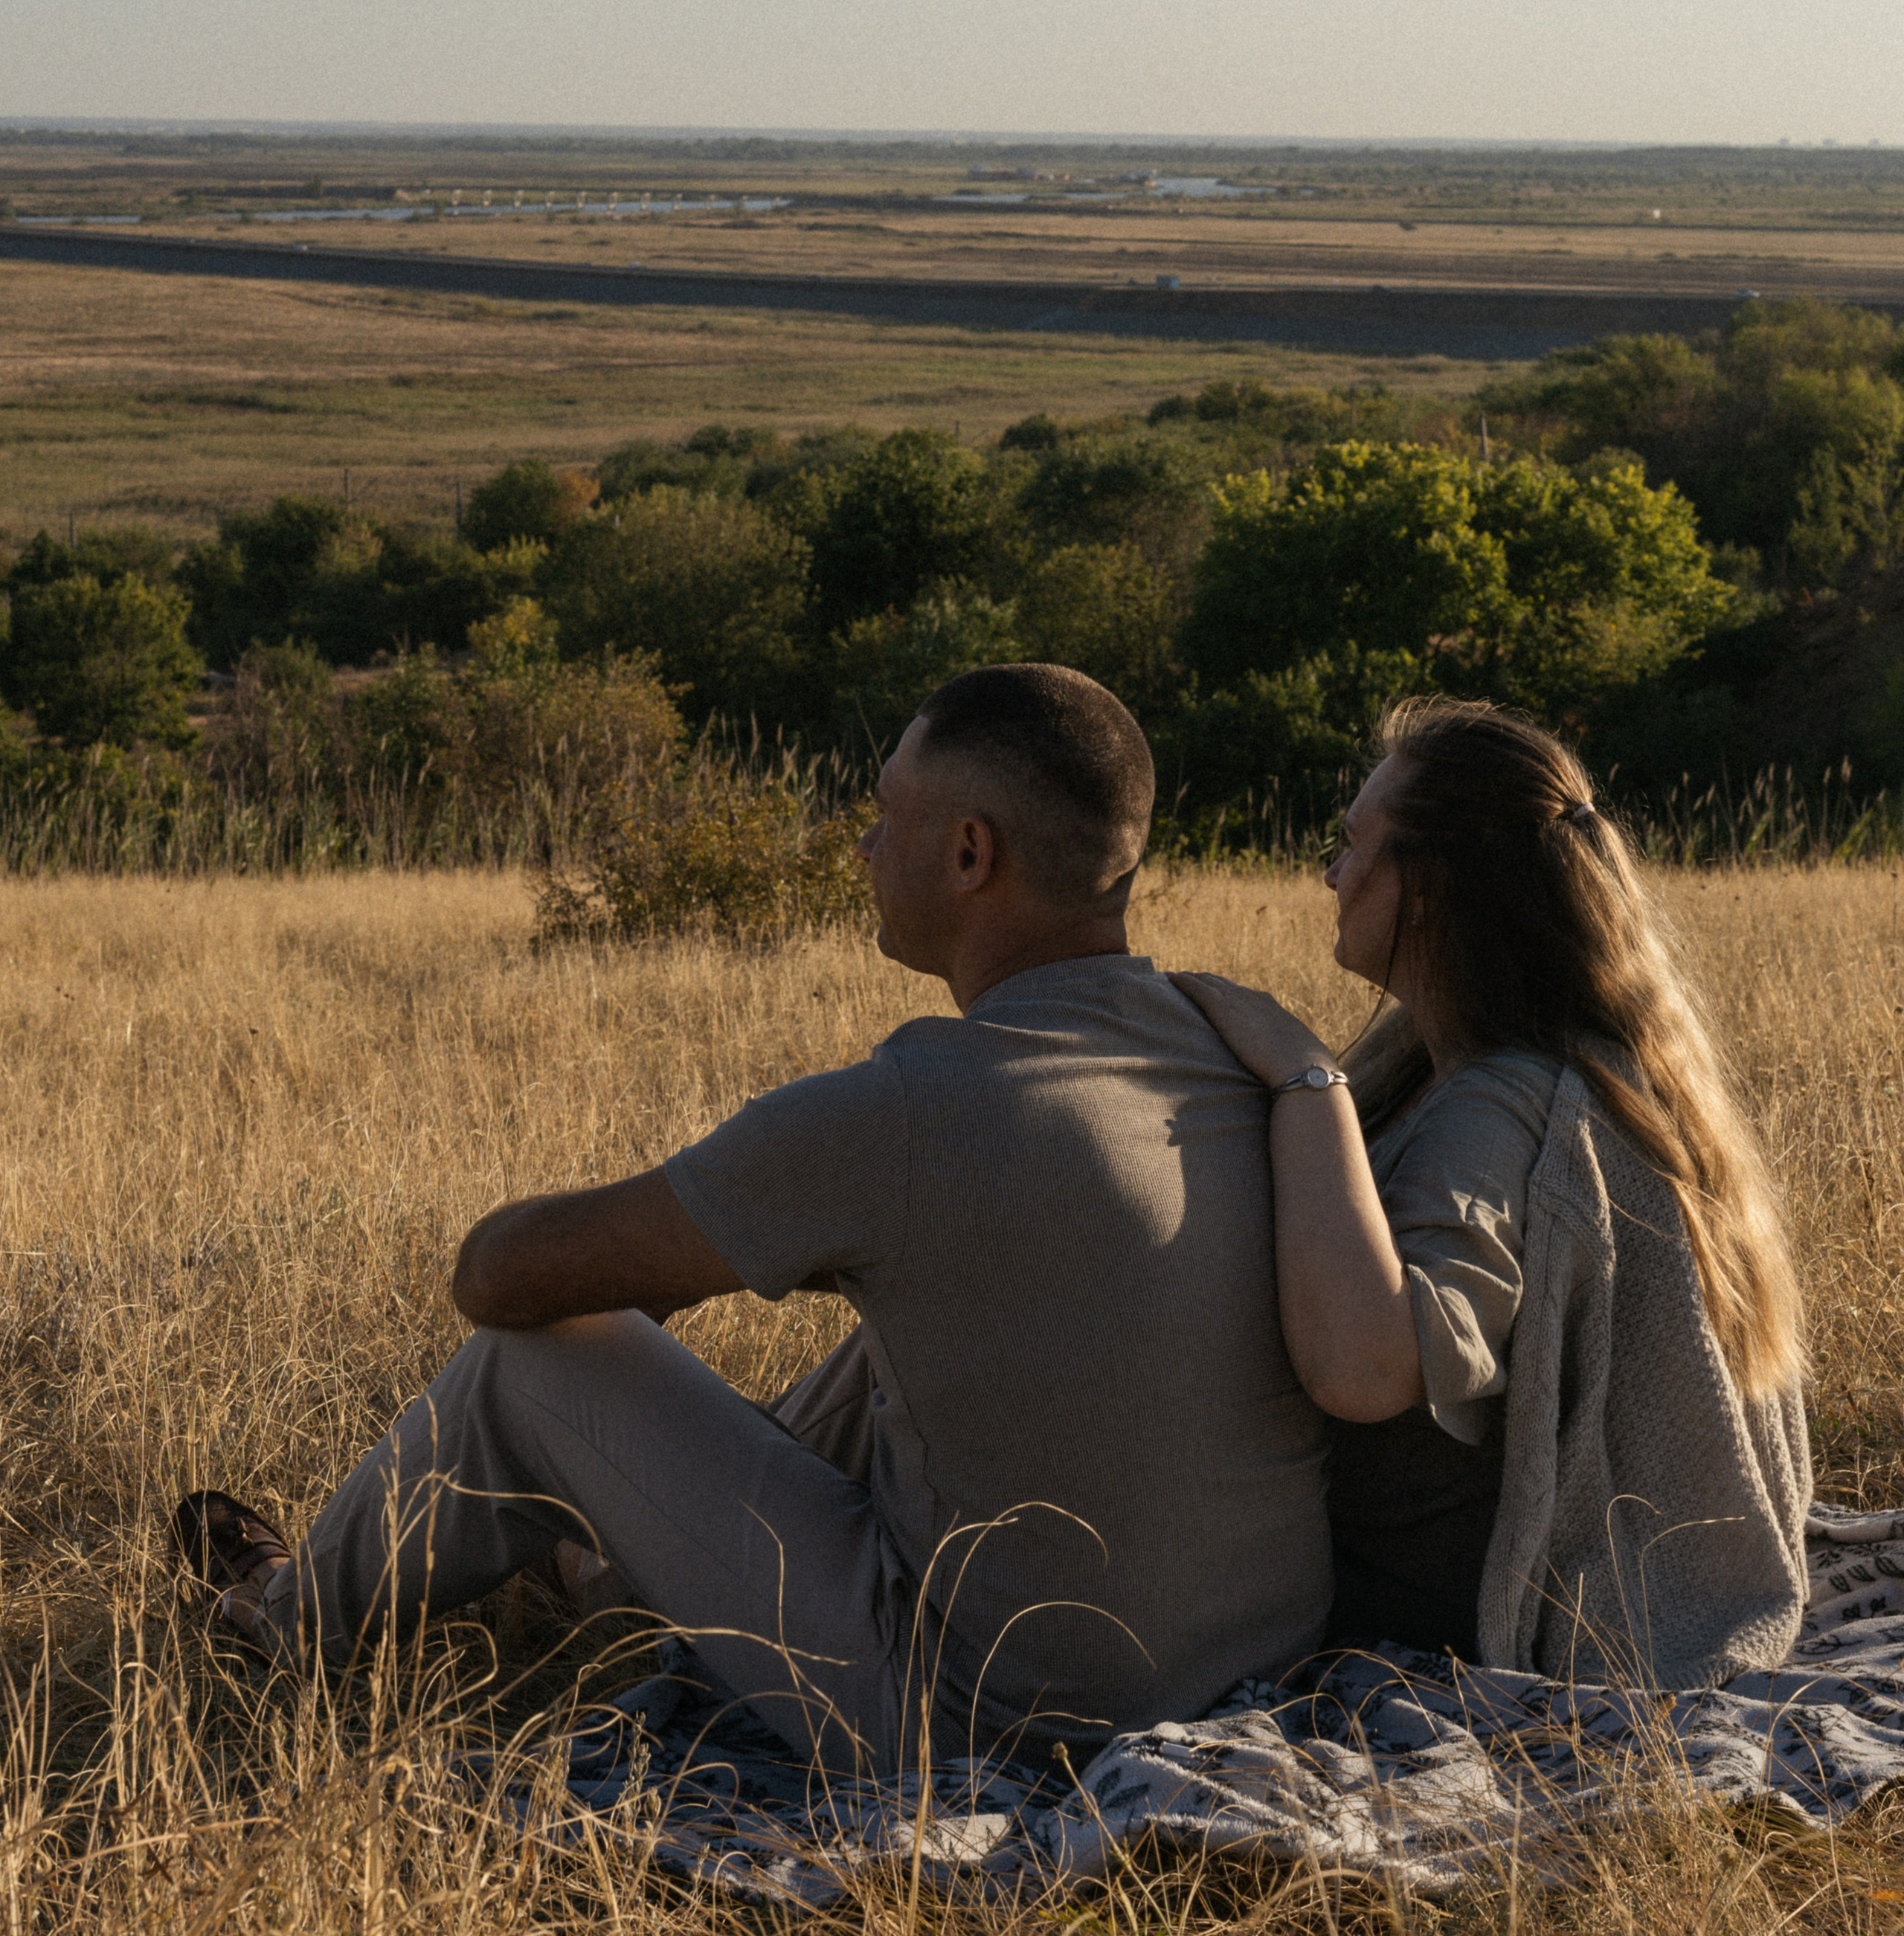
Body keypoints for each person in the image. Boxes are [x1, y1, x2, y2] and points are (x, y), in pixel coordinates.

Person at [174, 664, 1331, 1773]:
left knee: (536, 1366)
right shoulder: (1232, 1050)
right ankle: (615, 1564)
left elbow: (500, 1277)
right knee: (912, 1324)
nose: (867, 844)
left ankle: (284, 1614)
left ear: (973, 853)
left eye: (887, 813)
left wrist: (664, 1279)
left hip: (983, 1727)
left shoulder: (911, 1111)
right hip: (1249, 1681)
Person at [1175, 695, 1811, 1685]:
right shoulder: (1499, 1061)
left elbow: (1364, 1369)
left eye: (1352, 847)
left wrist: (1304, 1078)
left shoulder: (1498, 1105)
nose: (1332, 875)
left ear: (1424, 885)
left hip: (1416, 1615)